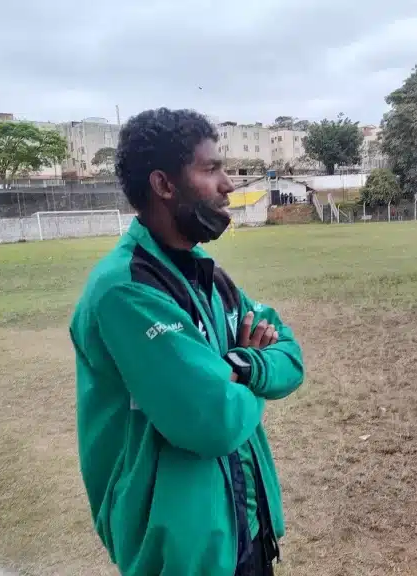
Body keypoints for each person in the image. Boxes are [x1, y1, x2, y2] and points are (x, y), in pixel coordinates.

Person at [70, 108, 305, 576]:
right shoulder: (128, 289)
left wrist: (241, 366)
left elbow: (291, 357)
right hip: (182, 554)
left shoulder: (207, 274)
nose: (228, 185)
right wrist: (252, 365)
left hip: (245, 526)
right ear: (164, 184)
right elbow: (213, 421)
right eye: (211, 168)